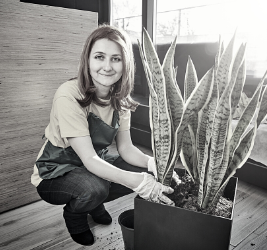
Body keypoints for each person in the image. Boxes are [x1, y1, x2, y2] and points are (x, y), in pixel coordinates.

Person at [31, 24, 174, 246]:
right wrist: (138, 183)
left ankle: (92, 203)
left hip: (94, 164)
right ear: (87, 60)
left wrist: (151, 163)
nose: (107, 66)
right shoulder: (68, 95)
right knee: (95, 188)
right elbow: (88, 159)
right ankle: (75, 214)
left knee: (139, 172)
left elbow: (126, 149)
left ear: (125, 63)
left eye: (116, 59)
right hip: (56, 171)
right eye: (99, 57)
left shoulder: (121, 99)